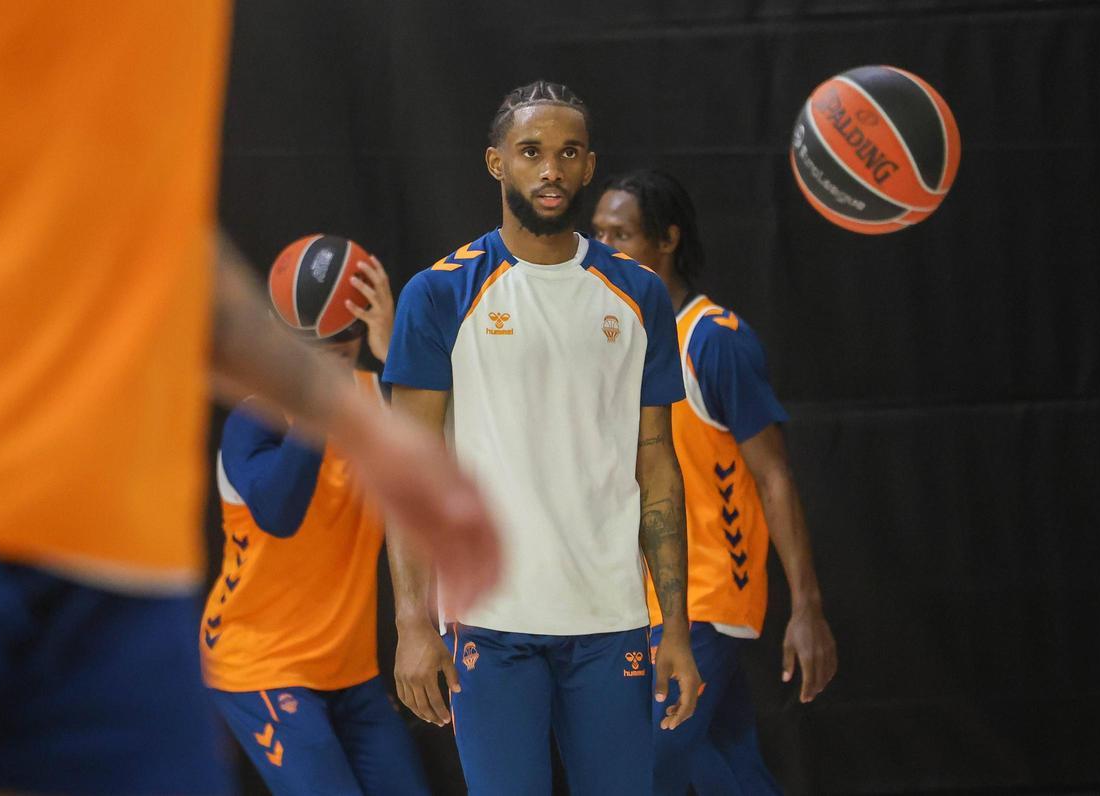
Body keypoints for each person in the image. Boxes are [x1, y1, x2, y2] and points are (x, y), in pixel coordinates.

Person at [0, 5, 496, 795]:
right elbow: (278, 507)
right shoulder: (251, 433)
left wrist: (365, 424)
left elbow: (141, 230)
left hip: (120, 556)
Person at [382, 80, 702, 795]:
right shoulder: (439, 294)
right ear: (497, 163)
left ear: (590, 166)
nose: (550, 169)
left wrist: (672, 626)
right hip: (488, 625)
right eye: (531, 152)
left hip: (611, 619)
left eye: (567, 153)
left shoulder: (639, 295)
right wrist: (411, 622)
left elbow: (658, 466)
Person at [592, 168, 838, 794]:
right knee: (728, 767)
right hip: (640, 601)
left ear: (666, 240)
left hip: (701, 600)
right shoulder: (614, 342)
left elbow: (775, 477)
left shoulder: (713, 341)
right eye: (596, 234)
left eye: (619, 234)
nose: (601, 248)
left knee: (643, 772)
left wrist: (806, 607)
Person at [203, 256, 429, 795]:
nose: (336, 341)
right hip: (260, 664)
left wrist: (396, 352)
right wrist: (314, 402)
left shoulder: (377, 402)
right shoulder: (255, 415)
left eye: (344, 330)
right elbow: (280, 513)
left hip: (349, 671)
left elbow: (447, 461)